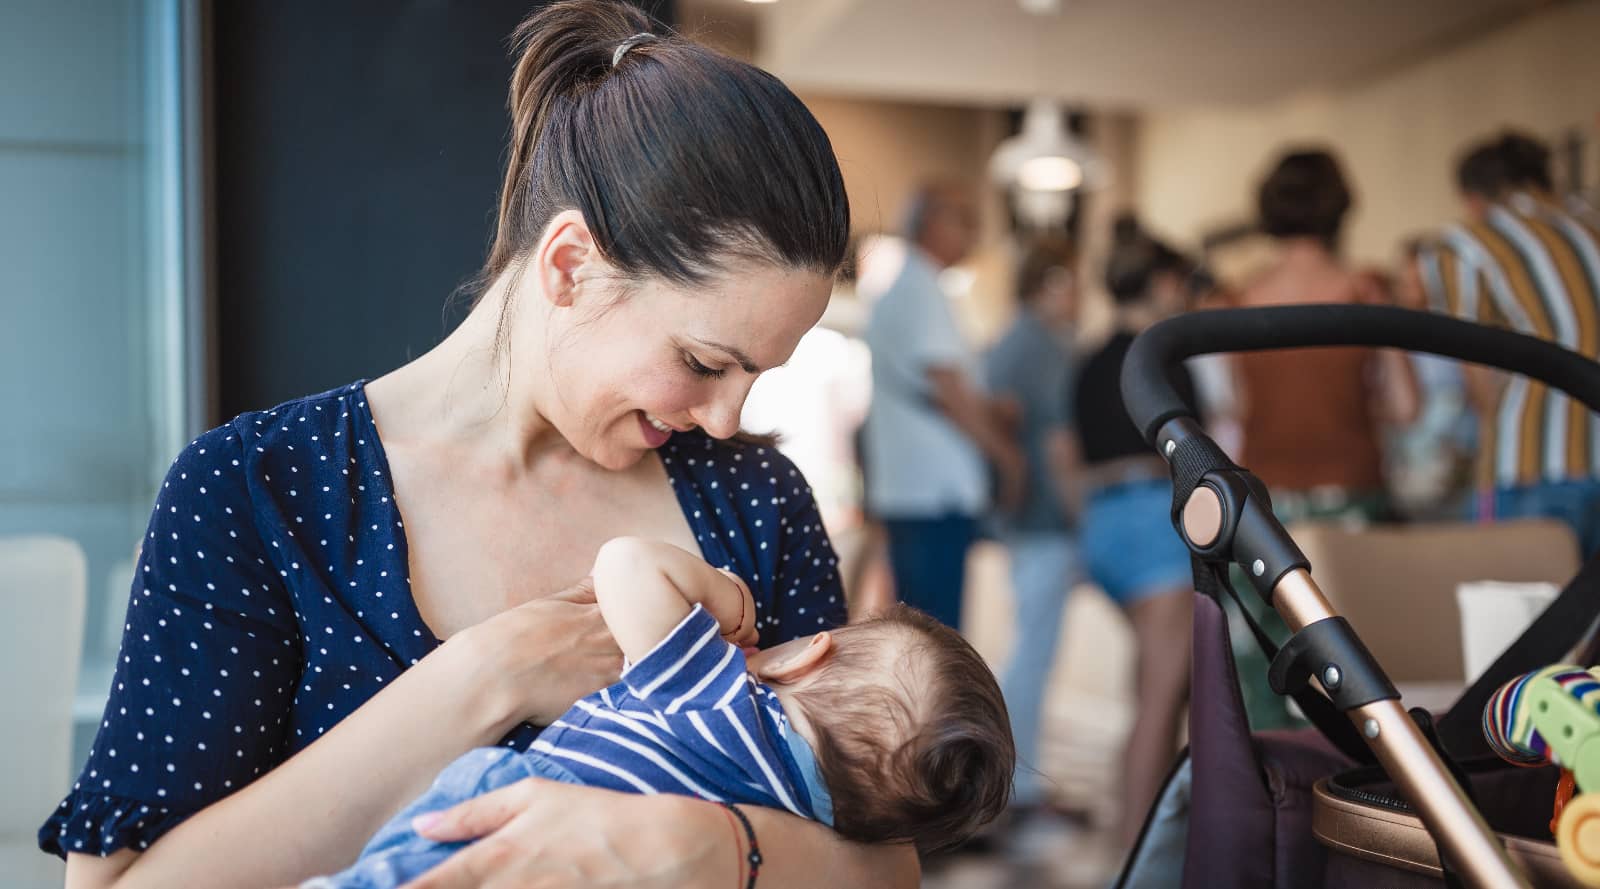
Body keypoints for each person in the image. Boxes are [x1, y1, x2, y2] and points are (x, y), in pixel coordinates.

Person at [42, 3, 920, 887]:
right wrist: (489, 676)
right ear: (570, 265)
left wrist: (713, 849)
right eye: (702, 362)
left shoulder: (757, 502)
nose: (727, 419)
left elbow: (888, 866)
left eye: (755, 376)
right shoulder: (258, 489)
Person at [307, 537, 1014, 887]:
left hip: (502, 826)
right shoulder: (813, 822)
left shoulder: (720, 695)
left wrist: (729, 597)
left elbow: (626, 563)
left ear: (804, 656)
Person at [1065, 216, 1198, 848]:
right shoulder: (1163, 360)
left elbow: (1068, 455)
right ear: (1163, 282)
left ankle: (1144, 834)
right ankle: (1138, 847)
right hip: (1155, 521)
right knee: (1160, 696)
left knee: (1154, 681)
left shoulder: (1089, 361)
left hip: (1103, 524)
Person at [1420, 131, 1600, 555]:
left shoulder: (1466, 243)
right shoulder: (1591, 229)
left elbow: (1476, 368)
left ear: (1472, 197)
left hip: (1530, 463)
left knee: (1515, 593)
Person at [861, 183, 1026, 631]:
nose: (973, 232)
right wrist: (1006, 456)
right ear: (931, 222)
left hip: (917, 491)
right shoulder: (919, 289)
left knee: (922, 629)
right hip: (932, 494)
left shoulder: (913, 287)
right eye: (963, 220)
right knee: (933, 635)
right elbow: (948, 391)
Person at [1228, 149, 1419, 524]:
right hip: (1353, 489)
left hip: (1265, 497)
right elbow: (1406, 406)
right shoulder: (1366, 290)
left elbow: (1237, 404)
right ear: (1340, 206)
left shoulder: (1241, 298)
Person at [981, 239, 1081, 814]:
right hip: (1043, 517)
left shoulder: (1011, 341)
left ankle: (1017, 778)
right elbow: (1055, 440)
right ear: (1050, 284)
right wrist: (1078, 511)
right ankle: (1018, 781)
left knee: (1029, 647)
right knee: (1033, 652)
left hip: (1024, 516)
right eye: (1071, 284)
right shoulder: (1039, 344)